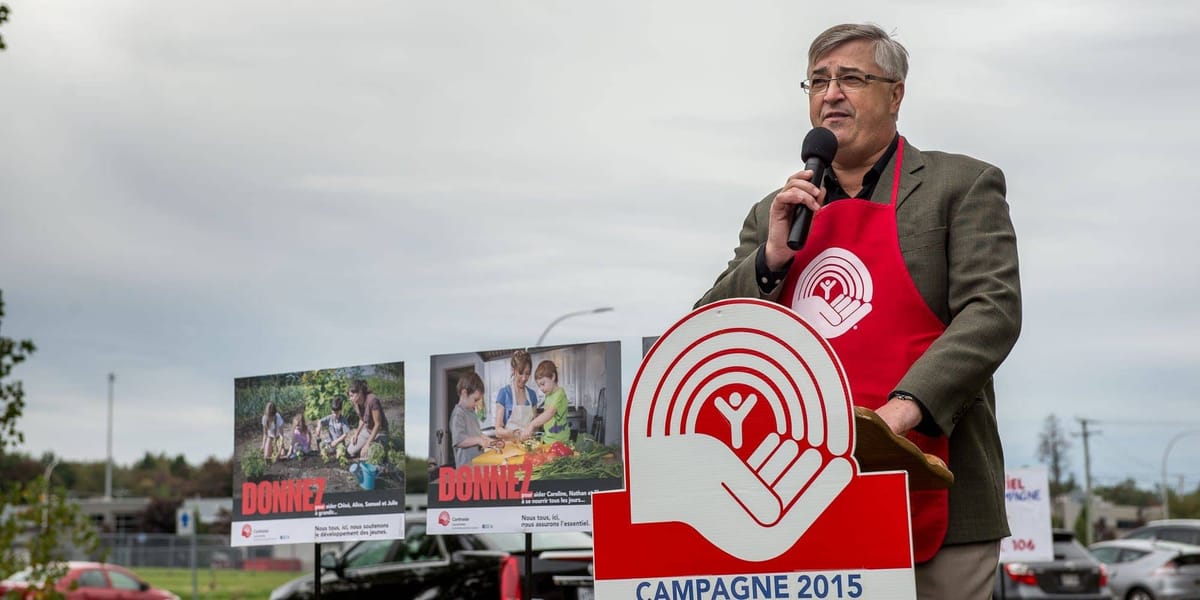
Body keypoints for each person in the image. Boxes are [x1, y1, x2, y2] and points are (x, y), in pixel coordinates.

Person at [695, 23, 1021, 599]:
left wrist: (903, 410)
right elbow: (709, 333)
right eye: (818, 81)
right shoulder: (773, 212)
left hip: (935, 487)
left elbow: (991, 310)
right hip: (800, 494)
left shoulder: (961, 184)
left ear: (895, 94)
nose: (831, 94)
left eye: (851, 78)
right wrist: (770, 258)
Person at [450, 372, 501, 466]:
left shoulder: (471, 412)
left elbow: (478, 434)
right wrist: (479, 440)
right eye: (475, 400)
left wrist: (492, 442)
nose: (477, 404)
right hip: (466, 468)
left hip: (477, 463)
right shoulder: (458, 414)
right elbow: (459, 441)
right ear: (464, 393)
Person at [520, 360, 571, 445]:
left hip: (560, 442)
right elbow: (545, 416)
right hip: (548, 439)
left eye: (543, 384)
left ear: (553, 377)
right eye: (539, 386)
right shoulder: (548, 395)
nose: (541, 389)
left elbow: (550, 413)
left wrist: (532, 424)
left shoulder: (560, 394)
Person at [493, 349, 540, 440]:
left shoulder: (532, 395)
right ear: (513, 370)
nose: (524, 378)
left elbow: (534, 426)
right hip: (509, 445)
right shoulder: (504, 393)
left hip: (528, 444)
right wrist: (513, 433)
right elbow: (498, 431)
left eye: (527, 373)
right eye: (520, 373)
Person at [347, 379, 389, 458]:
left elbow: (378, 424)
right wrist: (356, 434)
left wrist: (367, 444)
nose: (350, 398)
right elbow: (362, 419)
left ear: (360, 392)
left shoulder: (372, 400)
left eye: (352, 396)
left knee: (367, 456)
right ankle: (364, 447)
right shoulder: (356, 403)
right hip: (368, 431)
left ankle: (382, 445)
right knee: (350, 451)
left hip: (380, 433)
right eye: (349, 396)